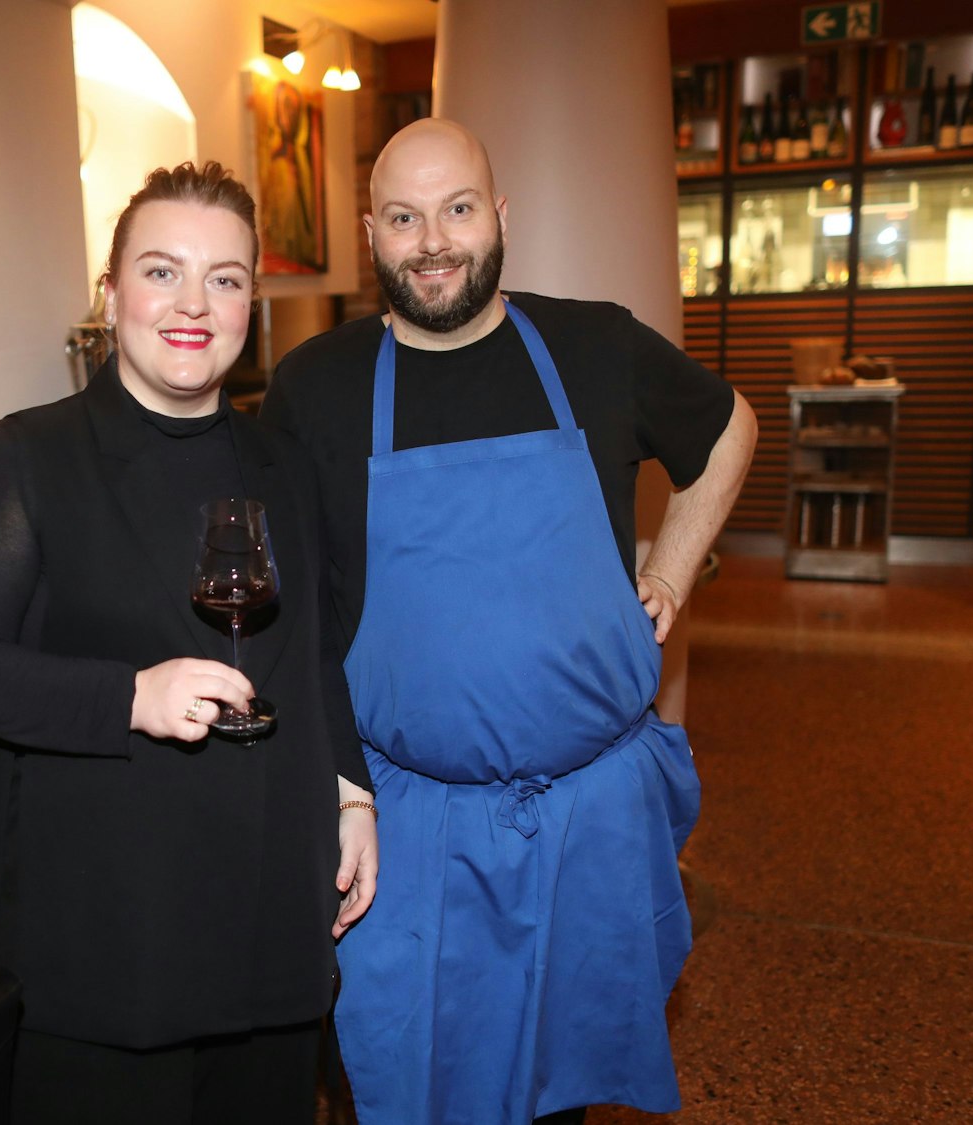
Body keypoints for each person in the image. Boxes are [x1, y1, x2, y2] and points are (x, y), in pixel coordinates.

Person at [261, 119, 758, 1124]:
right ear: (370, 232)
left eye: (455, 210)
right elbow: (288, 608)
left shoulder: (593, 345)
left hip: (587, 825)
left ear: (499, 217)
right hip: (407, 829)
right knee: (396, 1079)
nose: (431, 241)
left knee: (555, 1090)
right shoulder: (314, 387)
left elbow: (729, 427)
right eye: (402, 218)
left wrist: (668, 567)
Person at [0, 161, 379, 1125]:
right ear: (111, 292)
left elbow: (315, 650)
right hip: (107, 920)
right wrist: (131, 695)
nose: (193, 304)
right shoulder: (29, 455)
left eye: (226, 278)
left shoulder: (284, 464)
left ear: (253, 300)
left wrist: (351, 789)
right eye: (162, 272)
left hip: (266, 903)